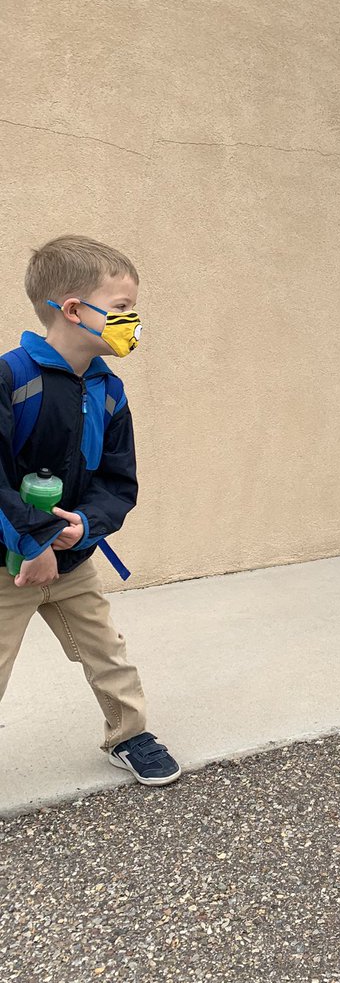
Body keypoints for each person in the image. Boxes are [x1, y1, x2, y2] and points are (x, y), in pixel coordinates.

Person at [0, 236, 180, 784]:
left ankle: (129, 734)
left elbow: (117, 481)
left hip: (72, 558)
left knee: (107, 652)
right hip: (10, 564)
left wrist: (85, 527)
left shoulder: (108, 390)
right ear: (74, 310)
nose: (134, 321)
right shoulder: (12, 378)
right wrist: (31, 543)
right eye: (122, 309)